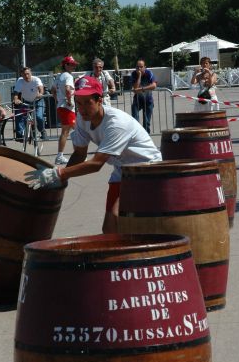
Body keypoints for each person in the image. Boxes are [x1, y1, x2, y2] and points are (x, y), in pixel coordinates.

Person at [25, 76, 162, 233]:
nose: (82, 109)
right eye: (79, 103)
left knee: (141, 226)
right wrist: (61, 178)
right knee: (110, 227)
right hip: (121, 170)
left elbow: (96, 164)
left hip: (148, 169)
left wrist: (59, 173)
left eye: (87, 102)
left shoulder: (116, 123)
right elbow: (79, 154)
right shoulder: (83, 120)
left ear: (99, 100)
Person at [52, 55, 78, 165]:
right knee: (73, 131)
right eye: (72, 64)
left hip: (62, 106)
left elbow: (53, 89)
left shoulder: (59, 76)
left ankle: (64, 155)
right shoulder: (68, 76)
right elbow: (68, 89)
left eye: (74, 65)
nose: (74, 66)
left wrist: (57, 99)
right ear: (66, 65)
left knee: (72, 131)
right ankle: (76, 156)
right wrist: (69, 101)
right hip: (67, 107)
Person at [13, 66, 46, 141]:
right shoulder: (20, 81)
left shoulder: (36, 79)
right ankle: (20, 135)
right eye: (24, 74)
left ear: (31, 73)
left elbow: (41, 88)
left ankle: (42, 131)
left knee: (39, 117)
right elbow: (16, 93)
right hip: (26, 102)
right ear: (21, 75)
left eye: (28, 74)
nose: (26, 76)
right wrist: (16, 99)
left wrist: (40, 94)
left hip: (38, 101)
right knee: (19, 115)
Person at [131, 59, 157, 133]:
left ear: (145, 67)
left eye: (141, 67)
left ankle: (146, 137)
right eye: (137, 67)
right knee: (135, 120)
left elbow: (154, 86)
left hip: (148, 100)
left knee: (146, 122)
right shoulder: (133, 74)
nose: (139, 69)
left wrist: (142, 88)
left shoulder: (149, 73)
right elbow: (135, 88)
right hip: (137, 100)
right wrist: (139, 76)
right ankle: (137, 136)